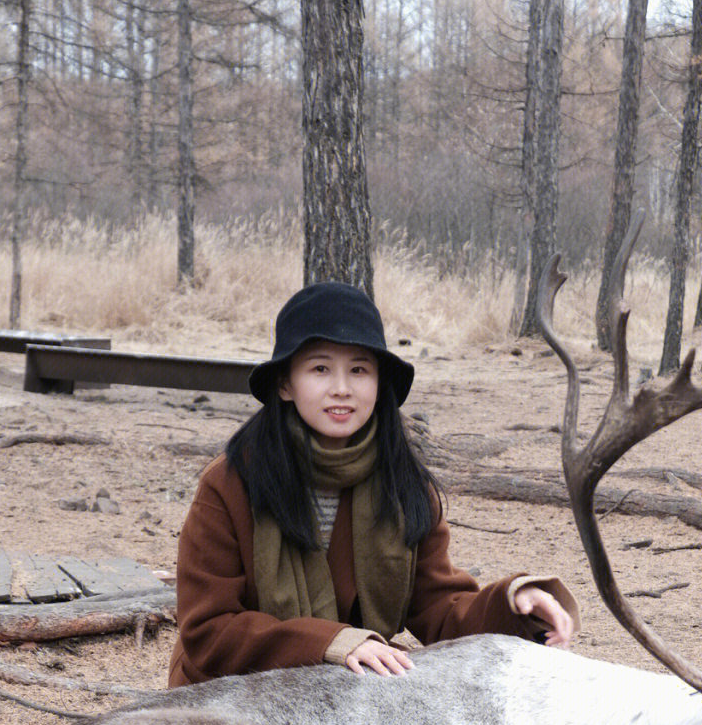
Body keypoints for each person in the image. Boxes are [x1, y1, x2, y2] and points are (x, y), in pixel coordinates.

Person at [168, 282, 578, 686]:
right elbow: (208, 631)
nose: (342, 388)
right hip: (222, 698)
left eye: (359, 369)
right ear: (285, 384)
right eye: (320, 368)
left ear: (379, 383)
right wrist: (330, 641)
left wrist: (515, 604)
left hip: (344, 695)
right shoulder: (229, 484)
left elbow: (438, 606)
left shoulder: (404, 486)